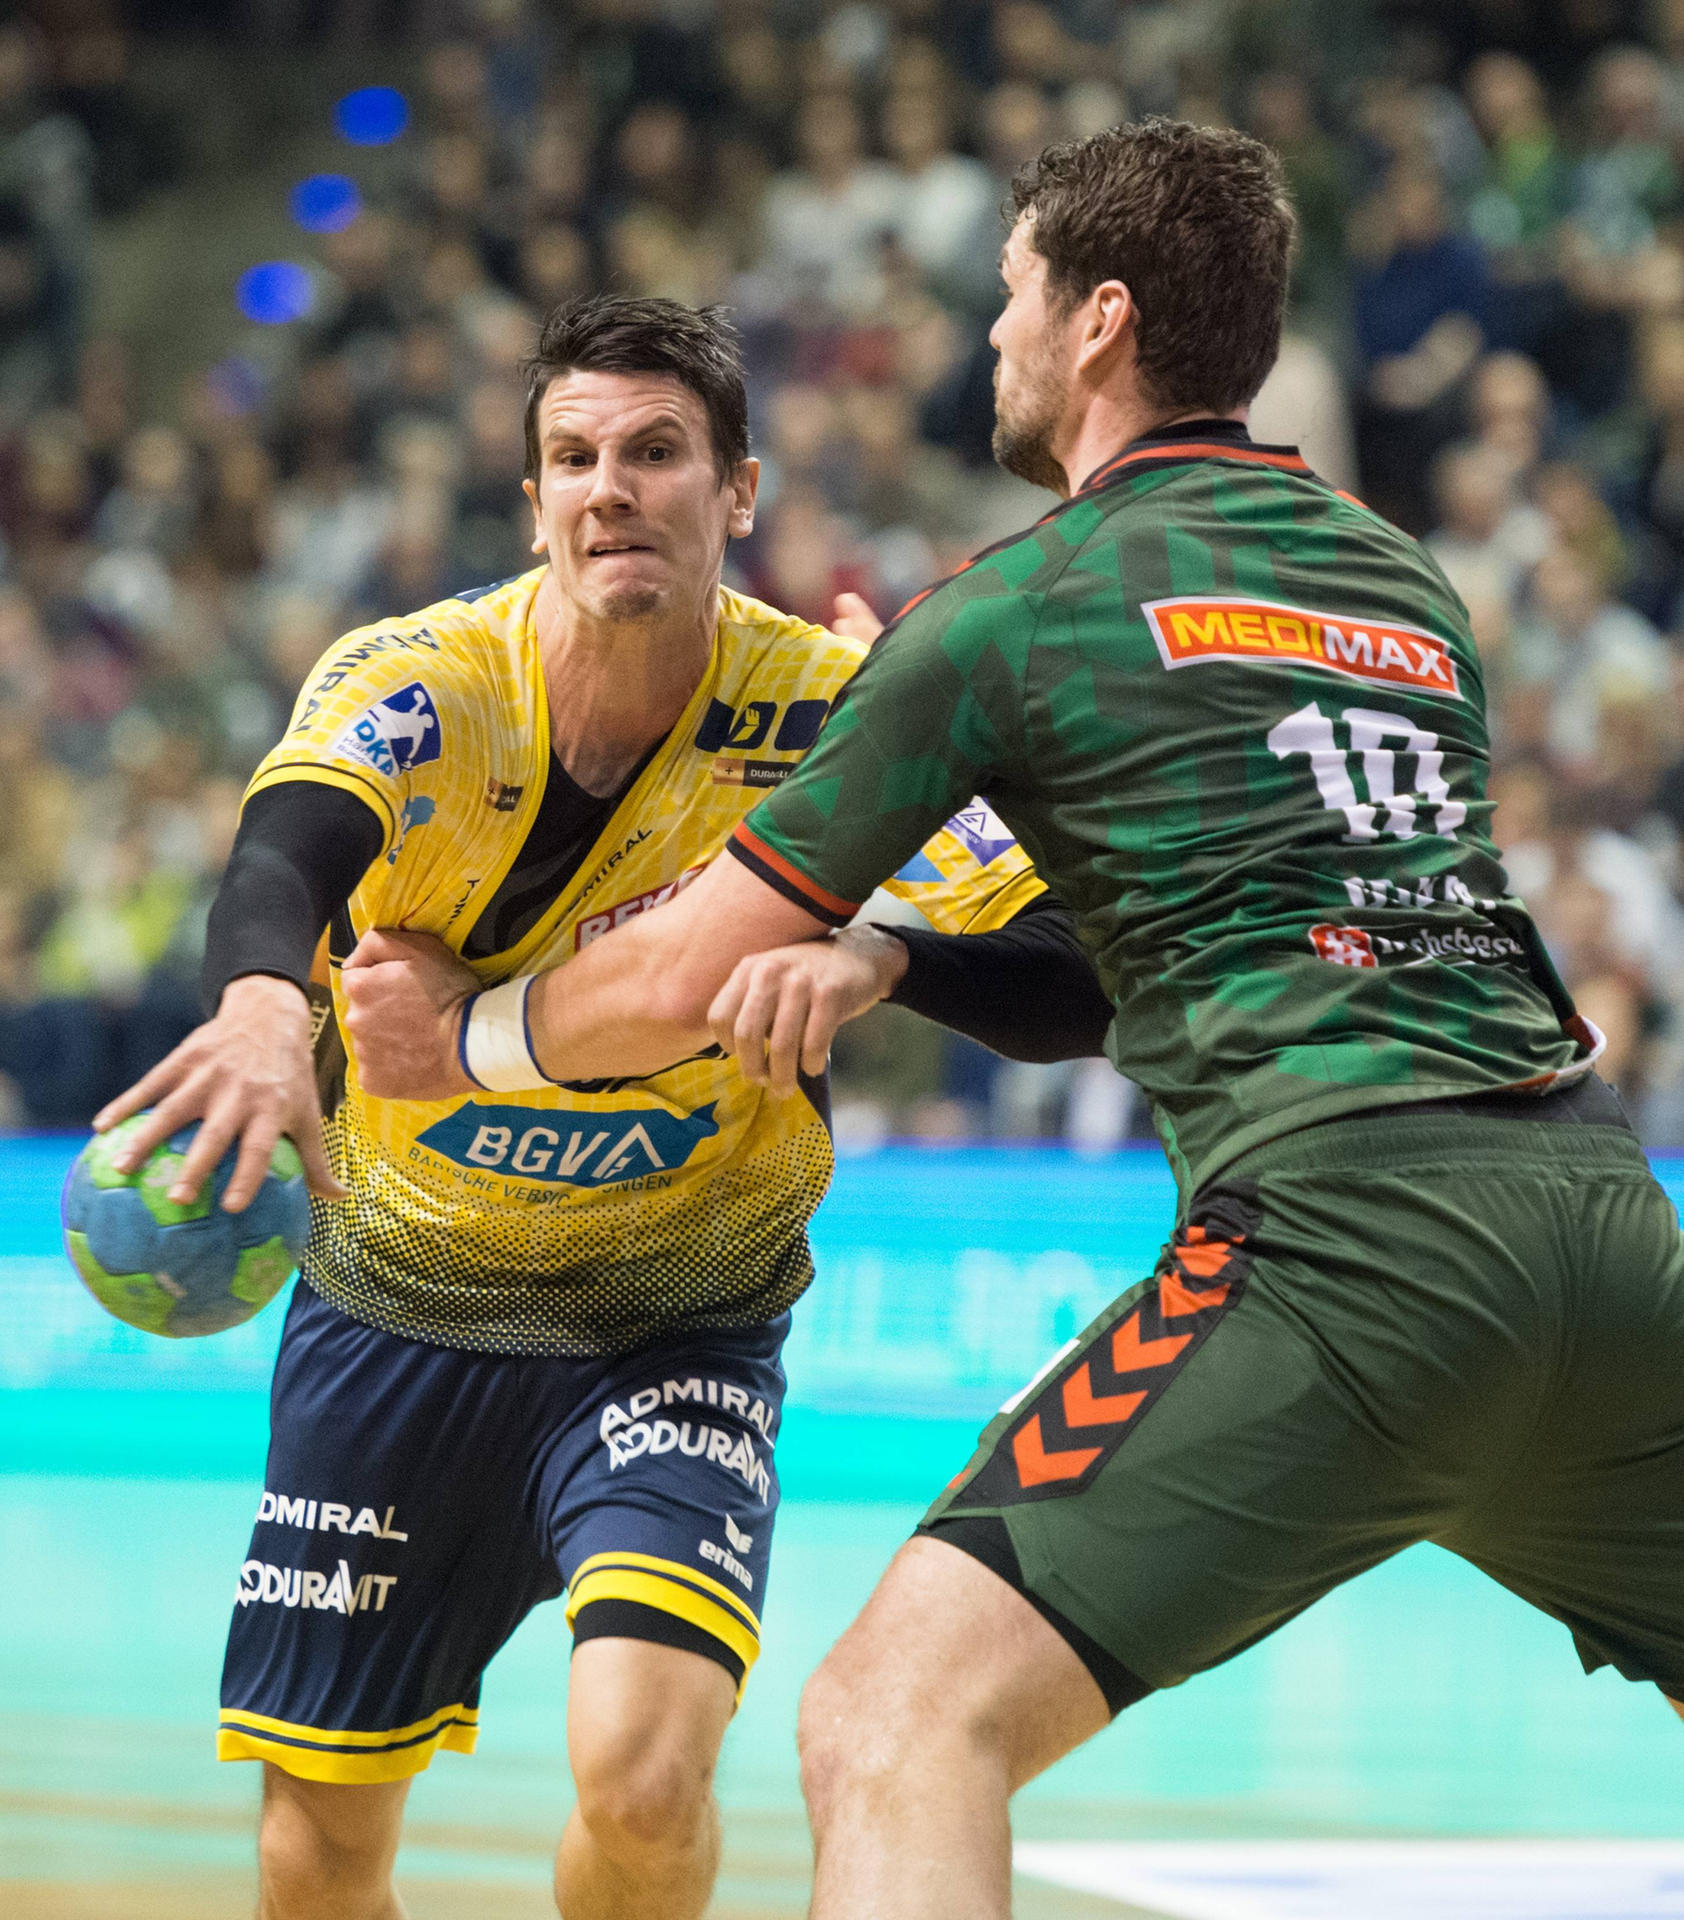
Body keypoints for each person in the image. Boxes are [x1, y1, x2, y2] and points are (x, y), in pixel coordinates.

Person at [334, 122, 1684, 1920]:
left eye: (1011, 295)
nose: (991, 337)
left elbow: (668, 982)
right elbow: (1182, 908)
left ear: (1099, 321)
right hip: (1606, 1227)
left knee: (894, 1727)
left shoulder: (1014, 612)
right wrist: (903, 938)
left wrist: (467, 1039)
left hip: (1350, 1246)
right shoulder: (1395, 584)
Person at [95, 294, 1110, 1920]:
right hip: (399, 1307)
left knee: (645, 1780)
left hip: (679, 1317)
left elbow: (1081, 977)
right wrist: (263, 1008)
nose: (608, 490)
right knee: (311, 1851)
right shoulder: (420, 678)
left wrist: (877, 955)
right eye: (573, 458)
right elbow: (287, 845)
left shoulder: (837, 709)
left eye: (655, 454)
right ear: (533, 501)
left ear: (741, 493)